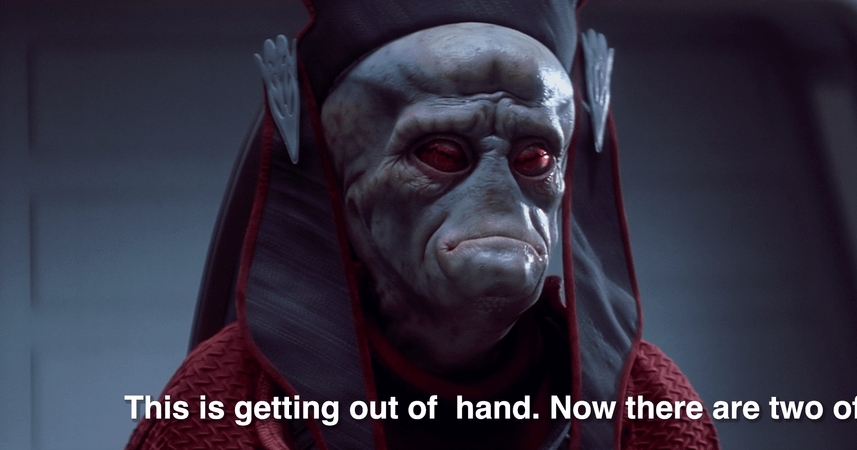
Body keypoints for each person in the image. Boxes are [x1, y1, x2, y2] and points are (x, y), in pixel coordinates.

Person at [126, 1, 720, 449]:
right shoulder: (226, 401)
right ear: (345, 187)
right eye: (441, 154)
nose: (499, 202)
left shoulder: (648, 405)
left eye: (534, 159)